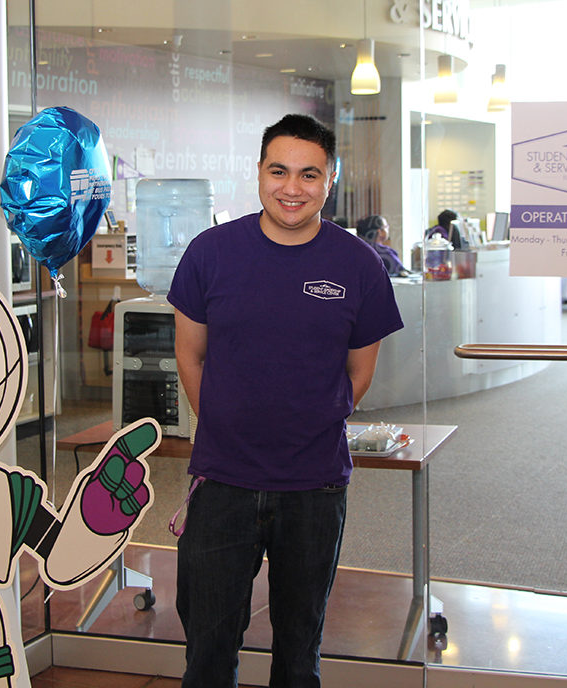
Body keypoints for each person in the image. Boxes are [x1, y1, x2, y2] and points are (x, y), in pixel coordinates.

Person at [168, 114, 404, 687]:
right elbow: (190, 358)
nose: (291, 188)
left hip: (314, 487)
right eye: (279, 171)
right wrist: (225, 425)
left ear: (330, 180)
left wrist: (306, 423)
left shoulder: (358, 265)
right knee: (207, 648)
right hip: (222, 480)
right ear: (259, 173)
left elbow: (359, 373)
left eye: (308, 174)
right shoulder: (211, 253)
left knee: (300, 653)